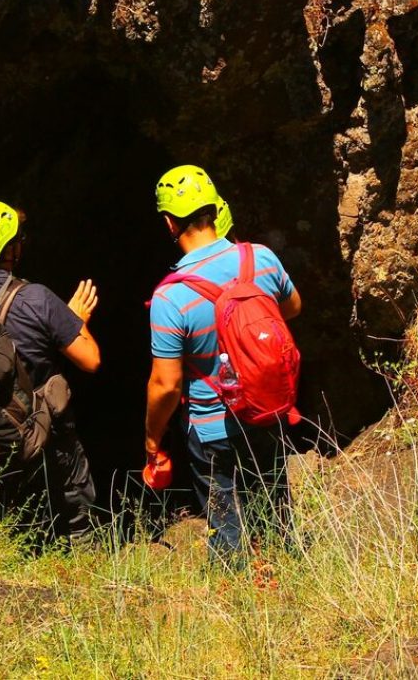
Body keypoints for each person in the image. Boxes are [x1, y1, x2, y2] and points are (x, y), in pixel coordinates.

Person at [144, 166, 302, 564]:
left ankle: (236, 595)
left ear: (169, 223)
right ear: (215, 209)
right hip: (267, 411)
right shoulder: (260, 258)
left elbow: (166, 384)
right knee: (274, 508)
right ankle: (285, 581)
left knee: (225, 520)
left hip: (212, 426)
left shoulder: (170, 297)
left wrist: (152, 439)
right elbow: (292, 308)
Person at [0, 200, 102, 538]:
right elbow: (90, 359)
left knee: (7, 522)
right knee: (74, 520)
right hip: (45, 440)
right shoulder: (35, 297)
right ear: (10, 247)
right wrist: (76, 320)